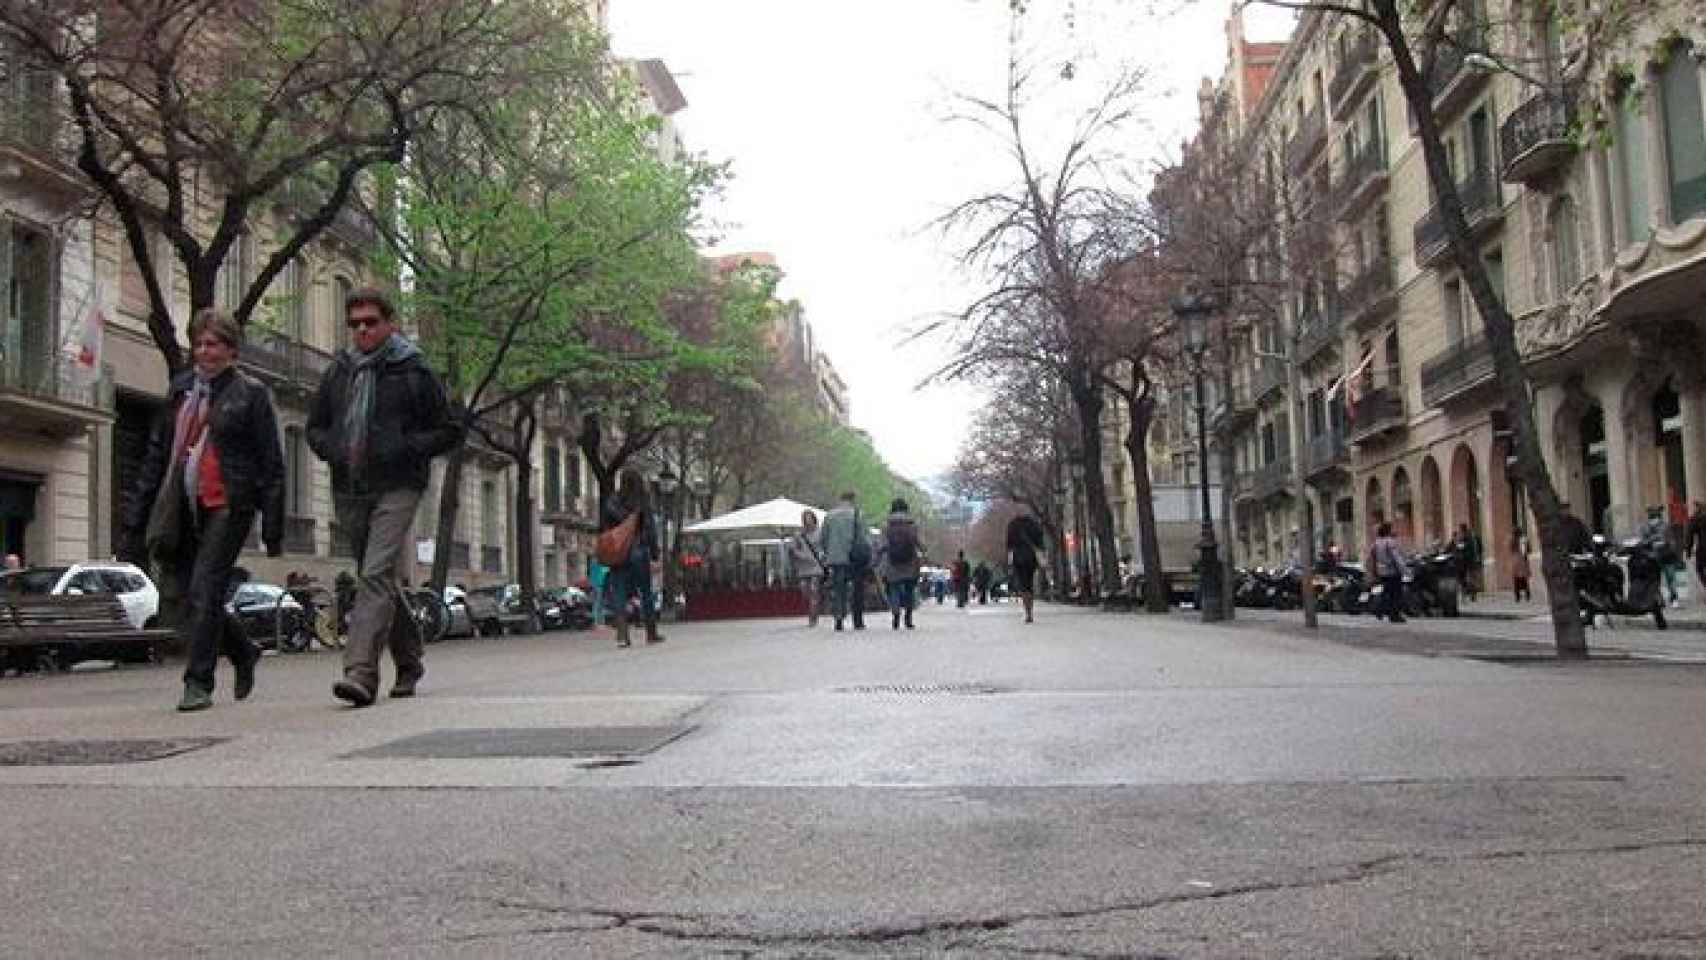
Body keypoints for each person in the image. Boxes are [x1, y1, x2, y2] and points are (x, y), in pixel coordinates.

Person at [124, 308, 284, 712]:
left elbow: (271, 463)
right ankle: (244, 650)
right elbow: (158, 456)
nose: (204, 351)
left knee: (205, 588)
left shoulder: (251, 394)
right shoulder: (181, 392)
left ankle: (198, 683)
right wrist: (135, 520)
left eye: (212, 344)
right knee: (191, 592)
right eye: (198, 343)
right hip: (184, 503)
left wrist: (273, 526)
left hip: (228, 503)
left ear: (231, 349)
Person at [307, 287, 460, 707]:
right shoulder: (339, 372)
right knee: (381, 580)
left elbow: (448, 429)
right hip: (351, 487)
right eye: (354, 324)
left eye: (371, 322)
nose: (362, 331)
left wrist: (406, 446)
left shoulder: (414, 371)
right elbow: (315, 427)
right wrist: (333, 449)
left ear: (390, 324)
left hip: (399, 485)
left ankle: (360, 673)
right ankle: (409, 660)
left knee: (373, 574)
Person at [600, 469, 664, 648]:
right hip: (638, 552)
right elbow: (650, 529)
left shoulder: (612, 501)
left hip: (619, 553)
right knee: (646, 593)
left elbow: (606, 526)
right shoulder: (642, 502)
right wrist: (654, 552)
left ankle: (622, 636)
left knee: (619, 594)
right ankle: (651, 633)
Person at [818, 491, 865, 632]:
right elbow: (863, 537)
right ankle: (857, 620)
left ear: (840, 499)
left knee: (839, 588)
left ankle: (838, 617)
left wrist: (828, 553)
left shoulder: (829, 515)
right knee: (857, 588)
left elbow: (823, 538)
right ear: (853, 499)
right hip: (854, 556)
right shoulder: (857, 514)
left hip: (836, 557)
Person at [880, 498, 922, 629]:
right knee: (909, 590)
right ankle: (908, 618)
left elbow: (883, 544)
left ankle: (896, 614)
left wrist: (879, 555)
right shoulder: (911, 524)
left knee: (893, 588)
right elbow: (916, 541)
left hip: (892, 561)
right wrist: (924, 550)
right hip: (910, 561)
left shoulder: (887, 525)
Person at [787, 509, 827, 627]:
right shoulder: (799, 535)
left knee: (814, 591)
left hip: (816, 566)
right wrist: (800, 555)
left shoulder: (820, 533)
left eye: (809, 518)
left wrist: (824, 557)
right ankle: (814, 608)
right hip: (804, 568)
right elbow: (792, 549)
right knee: (805, 591)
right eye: (805, 518)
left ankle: (813, 618)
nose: (807, 521)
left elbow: (825, 546)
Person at [1006, 512, 1045, 624]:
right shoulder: (1034, 524)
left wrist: (1009, 562)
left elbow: (1009, 546)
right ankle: (1030, 611)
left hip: (1018, 558)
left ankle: (1027, 612)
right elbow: (1040, 543)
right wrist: (1042, 556)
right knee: (1029, 583)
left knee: (1023, 585)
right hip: (1031, 557)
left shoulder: (1012, 525)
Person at [1642, 506, 1682, 607]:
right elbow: (1644, 542)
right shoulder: (1647, 527)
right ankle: (1663, 599)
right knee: (1661, 579)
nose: (1653, 519)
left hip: (1664, 556)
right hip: (1656, 557)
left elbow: (1671, 541)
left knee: (1668, 579)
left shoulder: (1664, 526)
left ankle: (1671, 598)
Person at [1372, 522, 1407, 624]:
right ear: (1388, 530)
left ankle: (1380, 609)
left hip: (1382, 571)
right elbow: (1397, 557)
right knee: (1396, 594)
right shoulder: (1390, 542)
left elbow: (1373, 556)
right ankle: (1394, 615)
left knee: (1387, 591)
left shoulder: (1377, 542)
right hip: (1393, 571)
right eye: (1392, 528)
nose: (1394, 530)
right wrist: (1405, 570)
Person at [1689, 502, 1706, 603]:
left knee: (1700, 569)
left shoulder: (1696, 519)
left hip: (1703, 549)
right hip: (1702, 548)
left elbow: (1689, 535)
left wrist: (1688, 549)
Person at [1511, 527, 1531, 603]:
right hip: (1523, 560)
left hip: (1516, 561)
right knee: (1524, 579)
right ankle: (1527, 594)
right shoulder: (1524, 540)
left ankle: (1517, 597)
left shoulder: (1513, 540)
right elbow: (1529, 550)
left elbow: (1511, 549)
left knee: (1516, 579)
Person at [587, 559, 609, 628]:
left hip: (594, 585)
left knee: (596, 604)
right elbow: (606, 573)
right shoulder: (602, 565)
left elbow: (590, 575)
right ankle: (599, 623)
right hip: (600, 585)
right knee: (599, 604)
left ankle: (596, 622)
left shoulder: (593, 565)